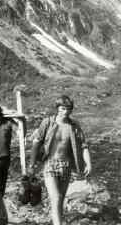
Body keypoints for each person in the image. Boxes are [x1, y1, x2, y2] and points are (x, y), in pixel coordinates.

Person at [28, 95, 92, 225]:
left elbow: (84, 145)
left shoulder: (74, 127)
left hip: (66, 165)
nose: (66, 112)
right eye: (63, 108)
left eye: (68, 109)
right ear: (57, 108)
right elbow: (36, 143)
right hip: (50, 164)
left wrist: (89, 164)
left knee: (60, 200)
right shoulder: (48, 122)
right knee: (56, 198)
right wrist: (32, 164)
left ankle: (57, 221)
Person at [0, 100, 26, 225]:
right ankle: (1, 219)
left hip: (5, 160)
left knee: (1, 190)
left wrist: (23, 120)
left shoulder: (7, 122)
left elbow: (21, 133)